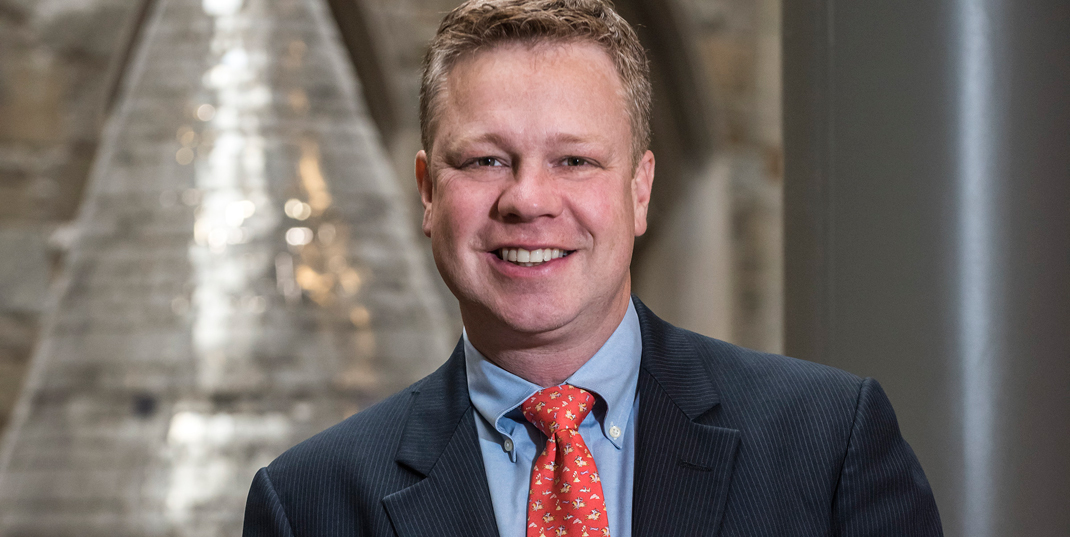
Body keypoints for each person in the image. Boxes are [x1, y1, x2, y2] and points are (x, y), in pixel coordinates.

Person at [243, 0, 943, 535]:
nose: (528, 200)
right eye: (485, 159)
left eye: (573, 160)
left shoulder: (826, 448)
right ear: (428, 192)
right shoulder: (310, 503)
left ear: (639, 189)